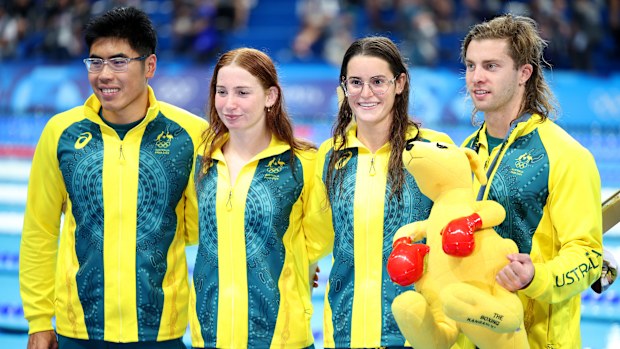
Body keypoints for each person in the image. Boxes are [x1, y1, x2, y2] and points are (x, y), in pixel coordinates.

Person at [19, 6, 208, 349]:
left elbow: (212, 224)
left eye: (119, 61)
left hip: (160, 332)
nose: (104, 74)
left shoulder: (191, 135)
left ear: (149, 65)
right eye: (95, 61)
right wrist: (37, 319)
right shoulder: (61, 132)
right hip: (77, 333)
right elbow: (40, 230)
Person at [457, 14, 603, 349]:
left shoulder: (566, 156)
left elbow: (589, 257)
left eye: (491, 66)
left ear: (524, 73)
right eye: (470, 66)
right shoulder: (463, 154)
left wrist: (535, 276)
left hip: (536, 340)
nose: (476, 77)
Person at [309, 36, 453, 348]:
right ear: (344, 87)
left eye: (378, 82)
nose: (366, 93)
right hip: (345, 333)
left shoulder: (432, 151)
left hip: (415, 334)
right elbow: (314, 235)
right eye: (356, 82)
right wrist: (302, 263)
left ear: (399, 83)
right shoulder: (331, 156)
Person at [188, 47, 328, 348]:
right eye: (221, 91)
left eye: (242, 92)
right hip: (209, 334)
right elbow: (189, 227)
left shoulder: (303, 162)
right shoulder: (201, 159)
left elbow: (319, 237)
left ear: (270, 96)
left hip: (282, 336)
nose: (229, 104)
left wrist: (302, 265)